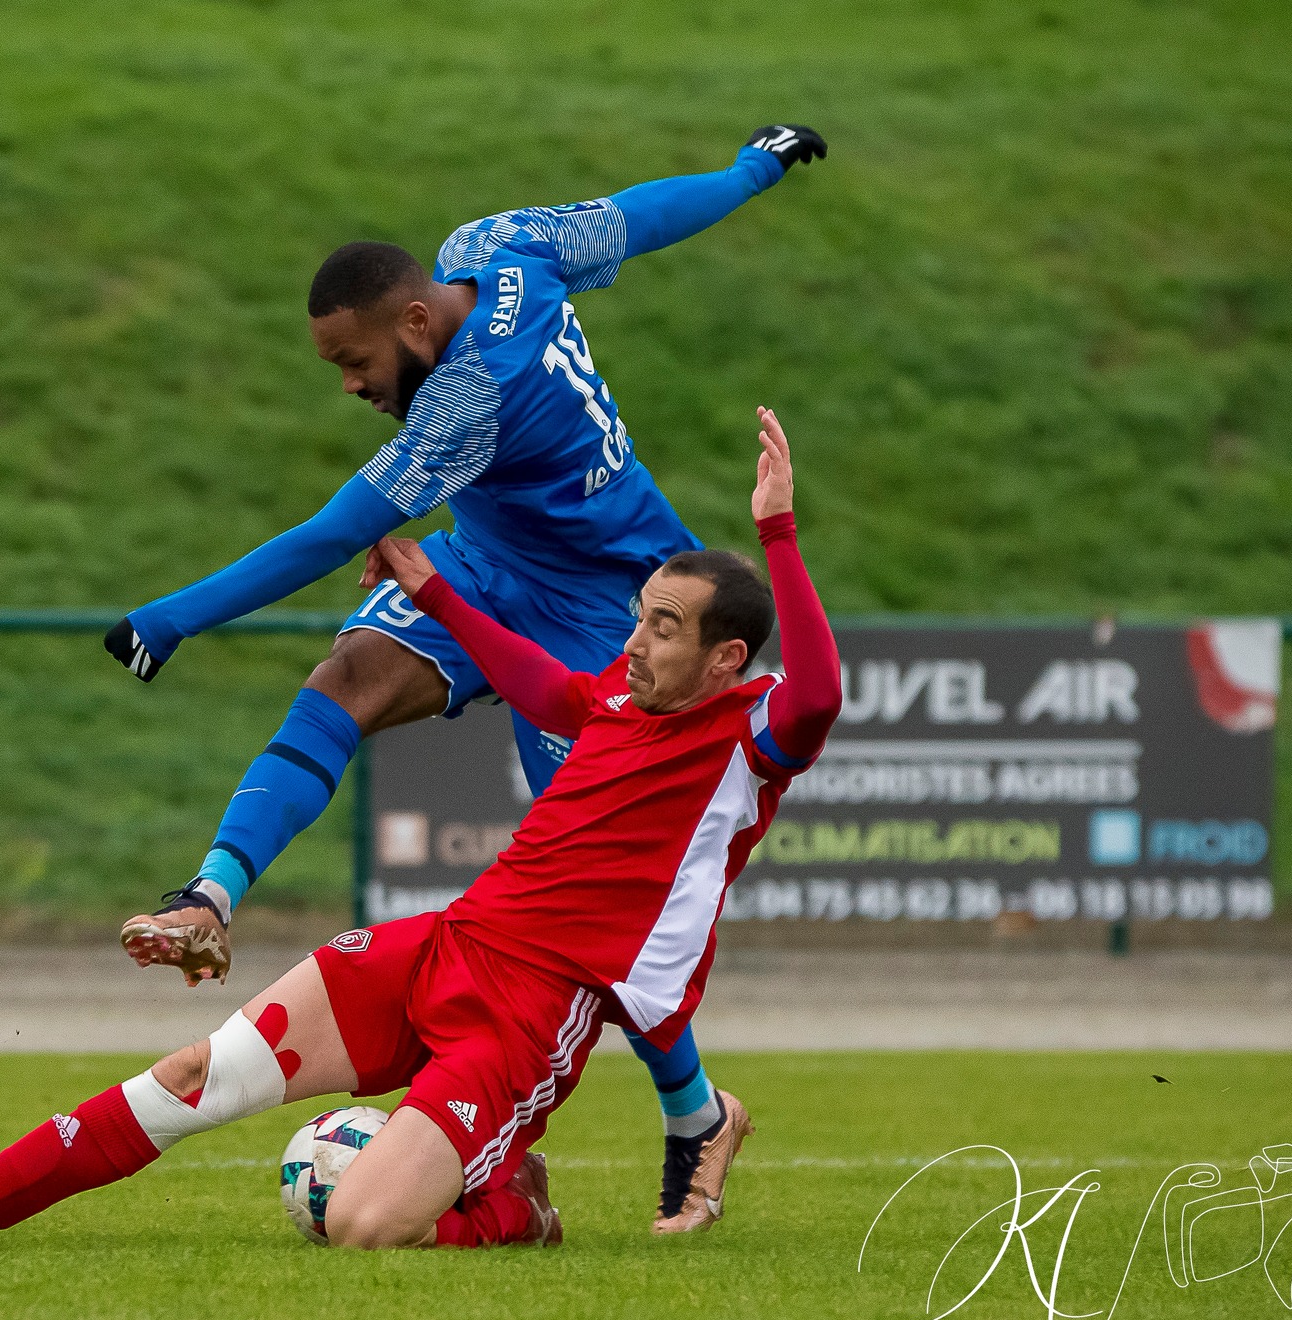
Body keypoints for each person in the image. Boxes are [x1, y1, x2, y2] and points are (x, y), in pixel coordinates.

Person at [0, 407, 839, 1250]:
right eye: (639, 614)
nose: (636, 638)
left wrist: (777, 534)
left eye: (662, 625)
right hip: (442, 946)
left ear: (724, 657)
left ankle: (513, 1205)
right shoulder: (615, 695)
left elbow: (819, 695)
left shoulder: (751, 734)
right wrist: (430, 588)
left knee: (359, 1226)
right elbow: (544, 680)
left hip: (526, 1019)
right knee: (191, 1076)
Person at [103, 125, 828, 1230]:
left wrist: (173, 616)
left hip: (614, 601)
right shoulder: (496, 247)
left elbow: (325, 533)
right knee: (343, 677)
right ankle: (210, 892)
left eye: (353, 364)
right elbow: (635, 218)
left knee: (596, 891)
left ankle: (694, 1112)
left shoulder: (462, 397)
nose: (350, 386)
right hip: (488, 568)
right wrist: (748, 168)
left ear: (409, 323)